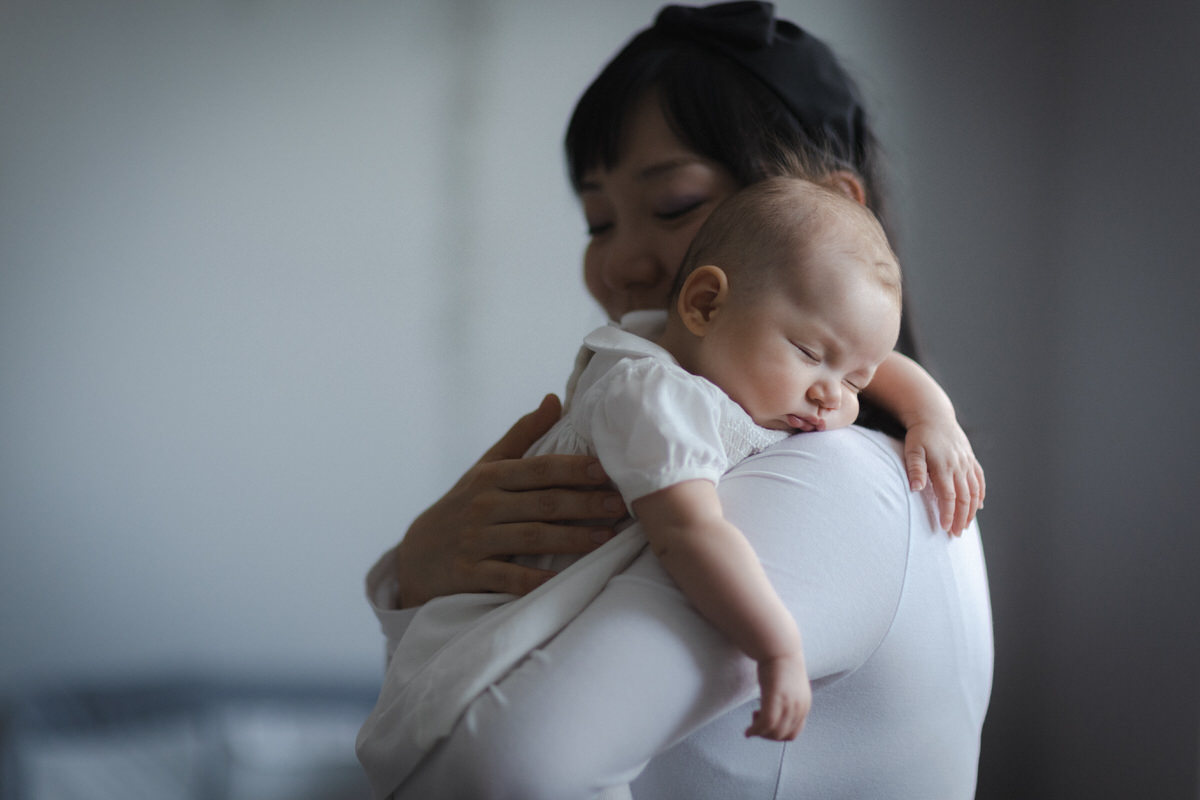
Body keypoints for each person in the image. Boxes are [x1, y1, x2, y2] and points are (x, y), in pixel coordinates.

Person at [365, 3, 993, 797]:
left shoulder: (832, 482)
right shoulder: (715, 423)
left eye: (674, 207)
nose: (619, 262)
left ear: (832, 209)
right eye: (597, 220)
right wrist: (423, 577)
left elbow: (502, 773)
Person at [357, 176, 903, 795]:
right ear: (702, 305)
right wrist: (777, 647)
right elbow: (691, 533)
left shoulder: (729, 367)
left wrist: (933, 416)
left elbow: (854, 345)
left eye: (858, 383)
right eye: (808, 352)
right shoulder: (656, 395)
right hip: (481, 678)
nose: (831, 396)